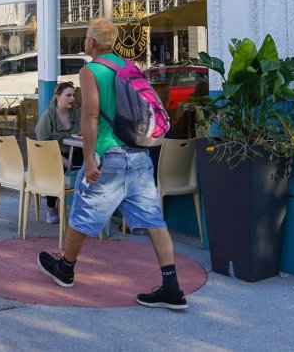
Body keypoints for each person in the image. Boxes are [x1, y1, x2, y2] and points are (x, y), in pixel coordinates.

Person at [36, 17, 188, 310]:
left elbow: (90, 115)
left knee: (83, 213)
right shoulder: (130, 67)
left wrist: (90, 156)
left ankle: (65, 270)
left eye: (85, 38)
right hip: (140, 155)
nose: (85, 42)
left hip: (111, 156)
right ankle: (172, 287)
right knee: (154, 221)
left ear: (91, 42)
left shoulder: (90, 70)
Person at [34, 81, 82, 224]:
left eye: (73, 95)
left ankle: (82, 208)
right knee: (57, 169)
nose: (72, 99)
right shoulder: (48, 116)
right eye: (68, 95)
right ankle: (50, 207)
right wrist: (62, 159)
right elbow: (43, 144)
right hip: (52, 155)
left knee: (90, 166)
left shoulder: (77, 112)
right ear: (58, 96)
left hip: (76, 151)